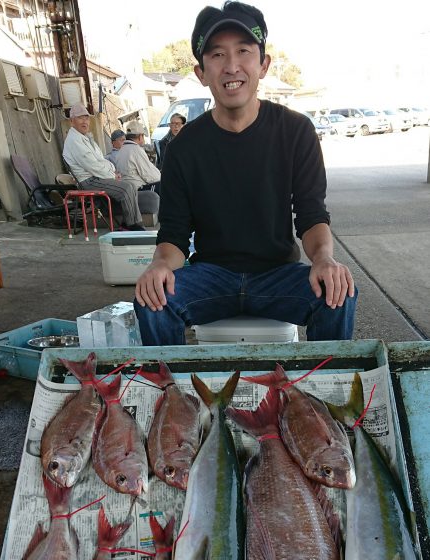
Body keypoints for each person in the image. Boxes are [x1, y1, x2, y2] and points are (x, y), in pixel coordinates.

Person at [135, 1, 357, 345]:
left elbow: (311, 214)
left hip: (278, 274)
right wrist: (160, 265)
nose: (232, 66)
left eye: (243, 51)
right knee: (152, 300)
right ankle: (171, 394)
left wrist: (325, 259)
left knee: (339, 292)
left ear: (263, 64)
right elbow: (175, 233)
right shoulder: (184, 147)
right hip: (210, 275)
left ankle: (320, 393)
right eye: (217, 55)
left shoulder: (296, 131)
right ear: (201, 72)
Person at [63, 104, 144, 231]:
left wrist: (113, 171)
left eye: (86, 118)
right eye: (80, 118)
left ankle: (130, 223)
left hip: (96, 177)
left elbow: (101, 160)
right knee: (127, 188)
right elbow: (93, 166)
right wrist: (112, 175)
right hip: (88, 181)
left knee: (131, 185)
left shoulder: (84, 138)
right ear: (72, 121)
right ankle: (132, 225)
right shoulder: (74, 140)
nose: (85, 121)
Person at [115, 120, 161, 195]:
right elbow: (150, 175)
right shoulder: (136, 150)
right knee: (166, 185)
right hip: (137, 189)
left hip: (127, 188)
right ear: (140, 136)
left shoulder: (121, 150)